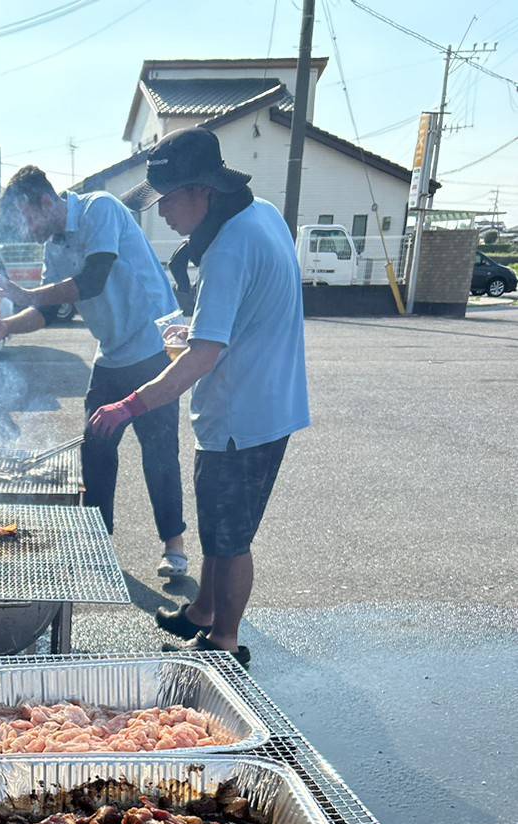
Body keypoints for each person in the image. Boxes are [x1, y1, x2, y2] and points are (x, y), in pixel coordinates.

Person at [89, 129, 310, 668]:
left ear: (202, 191)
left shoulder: (230, 248)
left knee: (230, 537)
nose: (160, 211)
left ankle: (225, 643)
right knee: (216, 523)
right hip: (266, 402)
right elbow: (250, 312)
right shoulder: (262, 218)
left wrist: (127, 407)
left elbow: (201, 358)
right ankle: (204, 612)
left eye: (166, 198)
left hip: (243, 414)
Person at [0, 165, 188, 579]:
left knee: (159, 452)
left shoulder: (100, 209)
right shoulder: (54, 249)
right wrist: (7, 325)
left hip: (153, 347)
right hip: (111, 354)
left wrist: (25, 292)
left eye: (26, 218)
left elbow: (93, 280)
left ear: (44, 201)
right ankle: (98, 542)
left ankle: (174, 546)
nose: (26, 230)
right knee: (95, 449)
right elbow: (48, 312)